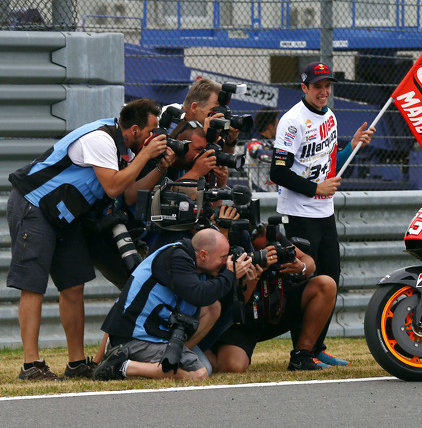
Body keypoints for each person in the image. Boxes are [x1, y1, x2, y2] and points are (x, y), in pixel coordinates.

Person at [6, 98, 167, 380]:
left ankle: (76, 363)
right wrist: (146, 155)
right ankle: (31, 366)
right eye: (151, 130)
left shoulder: (123, 151)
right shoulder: (101, 139)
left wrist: (161, 166)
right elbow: (114, 187)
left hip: (65, 214)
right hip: (34, 204)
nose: (154, 137)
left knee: (74, 285)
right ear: (133, 129)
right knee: (33, 285)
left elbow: (131, 194)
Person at [270, 61, 375, 367]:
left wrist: (351, 147)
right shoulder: (292, 122)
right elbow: (277, 172)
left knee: (331, 278)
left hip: (324, 212)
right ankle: (301, 352)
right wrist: (315, 189)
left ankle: (317, 347)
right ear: (304, 88)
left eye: (327, 85)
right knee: (305, 281)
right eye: (317, 86)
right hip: (299, 212)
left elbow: (328, 163)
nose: (323, 91)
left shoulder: (329, 115)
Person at [93, 229, 252, 381]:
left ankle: (167, 360)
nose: (226, 263)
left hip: (156, 335)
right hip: (134, 338)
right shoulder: (176, 257)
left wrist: (240, 280)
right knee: (199, 373)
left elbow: (213, 294)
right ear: (203, 255)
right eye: (223, 257)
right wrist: (230, 274)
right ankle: (122, 366)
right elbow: (199, 294)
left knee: (213, 308)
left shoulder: (197, 263)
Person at [205, 229, 337, 372]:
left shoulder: (268, 234)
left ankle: (302, 356)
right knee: (232, 367)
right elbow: (240, 302)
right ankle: (198, 352)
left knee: (326, 284)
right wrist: (255, 274)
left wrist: (301, 267)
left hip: (275, 305)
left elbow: (309, 260)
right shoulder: (223, 244)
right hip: (244, 317)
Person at [244, 107, 280, 191]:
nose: (279, 127)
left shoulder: (277, 143)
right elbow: (259, 153)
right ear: (270, 126)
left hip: (276, 194)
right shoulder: (254, 143)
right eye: (277, 124)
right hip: (258, 194)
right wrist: (282, 158)